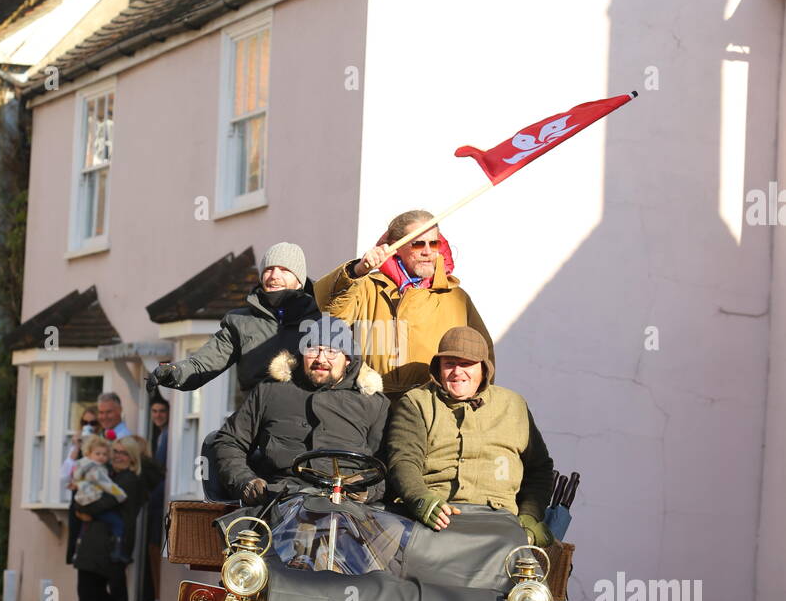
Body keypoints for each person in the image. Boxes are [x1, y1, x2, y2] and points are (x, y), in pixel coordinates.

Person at [385, 326, 554, 542]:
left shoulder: (514, 405)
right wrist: (419, 499)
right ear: (438, 368)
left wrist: (530, 516)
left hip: (500, 523)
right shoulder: (417, 402)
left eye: (466, 364)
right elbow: (404, 459)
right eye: (449, 363)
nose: (457, 372)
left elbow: (540, 469)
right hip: (438, 519)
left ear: (484, 369)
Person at [314, 210, 493, 398]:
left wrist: (476, 402)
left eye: (434, 243)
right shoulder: (366, 286)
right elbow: (330, 309)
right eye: (418, 244)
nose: (427, 251)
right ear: (396, 247)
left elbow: (484, 355)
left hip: (433, 405)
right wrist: (357, 270)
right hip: (372, 402)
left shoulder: (455, 296)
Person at [213, 314, 388, 503]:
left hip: (349, 505)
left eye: (331, 351)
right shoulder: (270, 391)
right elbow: (229, 441)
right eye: (313, 350)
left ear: (347, 359)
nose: (321, 359)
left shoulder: (373, 403)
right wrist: (245, 481)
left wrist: (369, 490)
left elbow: (387, 463)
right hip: (282, 499)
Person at [145, 243, 319, 397]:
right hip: (256, 415)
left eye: (284, 270)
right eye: (268, 269)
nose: (274, 275)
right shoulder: (240, 321)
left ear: (299, 281)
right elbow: (203, 364)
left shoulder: (320, 318)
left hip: (306, 415)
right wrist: (175, 372)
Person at [70, 435, 147, 601]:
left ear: (133, 458)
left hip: (111, 545)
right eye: (115, 451)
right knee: (89, 590)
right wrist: (83, 503)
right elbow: (80, 500)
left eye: (124, 453)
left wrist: (84, 506)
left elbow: (96, 505)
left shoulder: (129, 480)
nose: (117, 456)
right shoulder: (108, 475)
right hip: (96, 543)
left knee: (99, 592)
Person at [71, 435, 128, 561]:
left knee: (84, 527)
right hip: (93, 501)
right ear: (89, 454)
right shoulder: (96, 469)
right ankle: (117, 550)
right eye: (98, 454)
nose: (101, 457)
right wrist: (121, 495)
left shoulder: (82, 466)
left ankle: (77, 552)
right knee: (117, 523)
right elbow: (107, 485)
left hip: (83, 501)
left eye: (104, 454)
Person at [145, 398, 168, 601]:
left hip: (161, 497)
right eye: (154, 411)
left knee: (155, 546)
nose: (158, 415)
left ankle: (158, 597)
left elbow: (160, 468)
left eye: (162, 411)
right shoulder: (160, 435)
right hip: (156, 497)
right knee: (153, 546)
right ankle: (155, 596)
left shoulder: (167, 435)